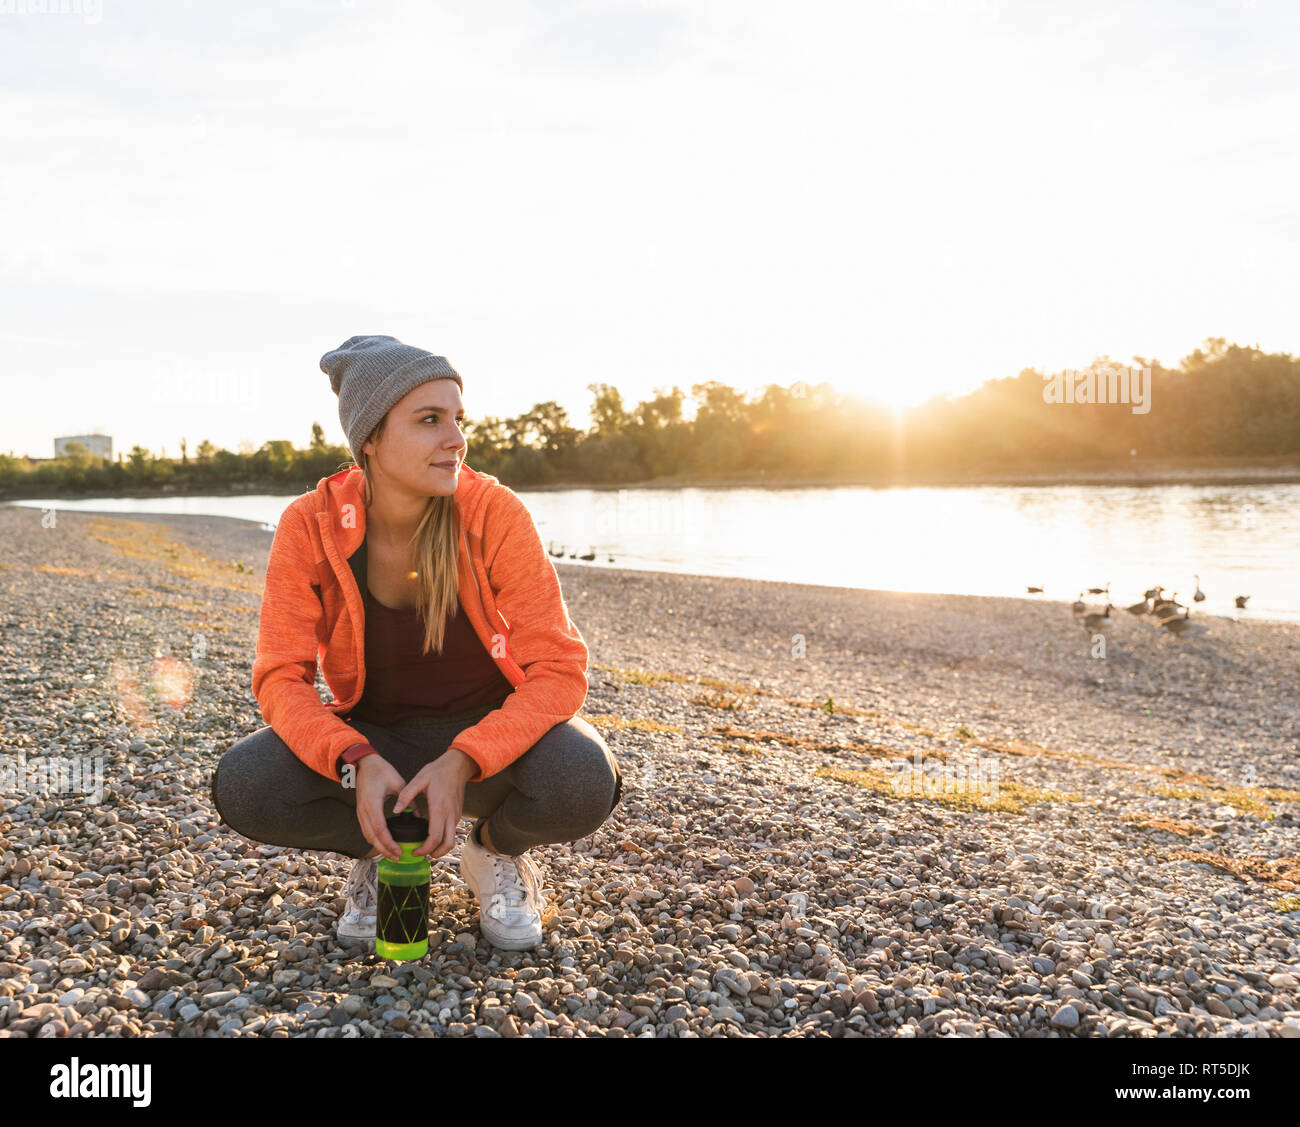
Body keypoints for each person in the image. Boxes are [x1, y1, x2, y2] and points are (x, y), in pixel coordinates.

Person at [211, 334, 622, 951]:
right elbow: (279, 677)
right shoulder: (310, 523)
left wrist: (464, 760)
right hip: (380, 745)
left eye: (458, 418)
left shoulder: (495, 512)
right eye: (429, 420)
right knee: (245, 783)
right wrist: (353, 758)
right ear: (370, 438)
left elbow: (560, 669)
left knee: (585, 777)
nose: (455, 438)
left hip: (492, 743)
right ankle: (384, 849)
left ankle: (491, 853)